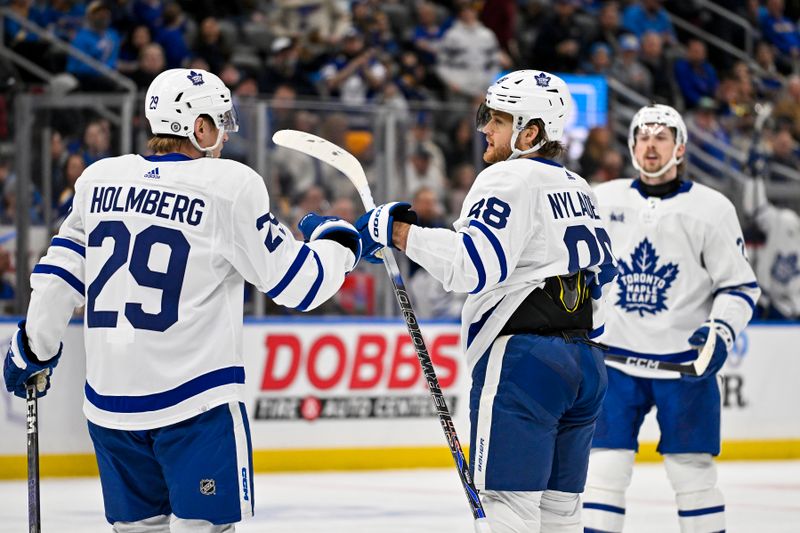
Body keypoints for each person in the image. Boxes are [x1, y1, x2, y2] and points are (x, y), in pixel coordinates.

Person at [3, 68, 361, 533]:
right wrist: (339, 243)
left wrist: (34, 348)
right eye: (219, 121)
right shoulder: (229, 185)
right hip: (196, 405)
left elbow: (58, 277)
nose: (225, 135)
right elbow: (298, 286)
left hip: (111, 407)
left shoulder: (99, 179)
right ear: (199, 127)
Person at [356, 70, 617, 532]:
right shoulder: (580, 189)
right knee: (561, 515)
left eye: (496, 119)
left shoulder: (508, 177)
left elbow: (472, 266)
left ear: (530, 132)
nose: (484, 129)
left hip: (525, 363)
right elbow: (603, 284)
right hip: (587, 367)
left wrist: (396, 233)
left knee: (506, 511)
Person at [582, 104, 761, 533]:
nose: (650, 144)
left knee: (693, 474)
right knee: (605, 471)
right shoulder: (601, 200)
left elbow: (739, 286)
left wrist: (720, 330)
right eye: (643, 136)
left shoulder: (711, 208)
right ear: (631, 145)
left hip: (684, 364)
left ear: (679, 147)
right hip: (615, 362)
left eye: (661, 137)